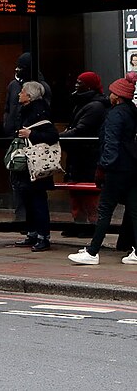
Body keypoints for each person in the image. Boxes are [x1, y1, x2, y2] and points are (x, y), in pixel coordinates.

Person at [68, 76, 137, 266]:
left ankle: (92, 252)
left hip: (116, 169)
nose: (110, 95)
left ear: (119, 95)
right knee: (134, 209)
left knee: (105, 209)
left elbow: (111, 143)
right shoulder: (132, 111)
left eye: (113, 92)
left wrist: (103, 167)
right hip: (131, 167)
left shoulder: (116, 114)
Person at [59, 71, 109, 236]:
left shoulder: (95, 106)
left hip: (87, 155)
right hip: (79, 155)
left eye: (79, 82)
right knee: (76, 190)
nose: (76, 84)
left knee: (88, 191)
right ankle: (79, 223)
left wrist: (60, 136)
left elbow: (81, 129)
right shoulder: (82, 102)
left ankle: (90, 225)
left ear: (88, 86)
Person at [10, 81, 57, 252]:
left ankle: (43, 236)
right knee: (28, 199)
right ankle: (32, 233)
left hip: (37, 165)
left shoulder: (39, 111)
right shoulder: (25, 110)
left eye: (22, 92)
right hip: (28, 164)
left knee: (37, 200)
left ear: (29, 96)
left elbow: (52, 135)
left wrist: (31, 134)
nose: (18, 94)